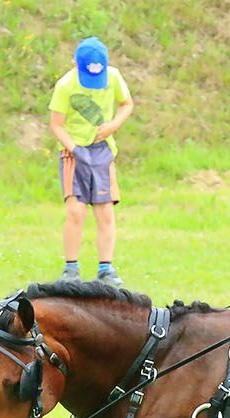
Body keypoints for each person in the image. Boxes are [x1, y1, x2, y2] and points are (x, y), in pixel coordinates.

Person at [48, 36, 133, 287]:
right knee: (75, 211)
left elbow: (126, 104)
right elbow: (56, 125)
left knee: (105, 212)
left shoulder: (114, 77)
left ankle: (106, 268)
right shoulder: (65, 85)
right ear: (75, 63)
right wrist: (74, 148)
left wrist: (113, 125)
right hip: (73, 153)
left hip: (103, 152)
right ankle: (70, 269)